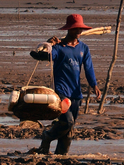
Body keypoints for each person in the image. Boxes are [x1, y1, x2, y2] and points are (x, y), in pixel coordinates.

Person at [29, 13, 101, 155]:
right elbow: (38, 55)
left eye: (80, 29)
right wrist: (48, 44)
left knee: (69, 129)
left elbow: (88, 68)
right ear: (68, 29)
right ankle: (47, 136)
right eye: (75, 29)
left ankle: (60, 156)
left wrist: (94, 86)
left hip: (76, 94)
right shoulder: (58, 48)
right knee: (67, 122)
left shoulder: (83, 48)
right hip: (61, 92)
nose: (78, 32)